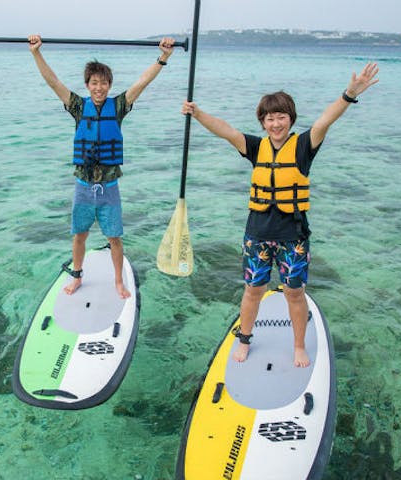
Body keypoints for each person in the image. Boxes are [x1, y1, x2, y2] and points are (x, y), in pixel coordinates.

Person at [182, 62, 379, 367]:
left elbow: (325, 121)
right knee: (252, 291)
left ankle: (298, 345)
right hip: (258, 234)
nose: (276, 124)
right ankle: (245, 339)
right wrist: (198, 113)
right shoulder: (255, 147)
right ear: (262, 122)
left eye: (281, 118)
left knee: (295, 293)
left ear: (291, 119)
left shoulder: (303, 146)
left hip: (293, 237)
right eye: (270, 118)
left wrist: (349, 95)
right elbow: (226, 130)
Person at [28, 34, 175, 299]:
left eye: (104, 83)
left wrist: (163, 57)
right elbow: (53, 81)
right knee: (79, 237)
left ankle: (118, 281)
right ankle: (77, 277)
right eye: (94, 83)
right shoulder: (76, 106)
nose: (99, 88)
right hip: (83, 187)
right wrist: (37, 52)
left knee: (115, 239)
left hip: (109, 188)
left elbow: (143, 82)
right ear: (87, 85)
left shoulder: (118, 107)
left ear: (109, 85)